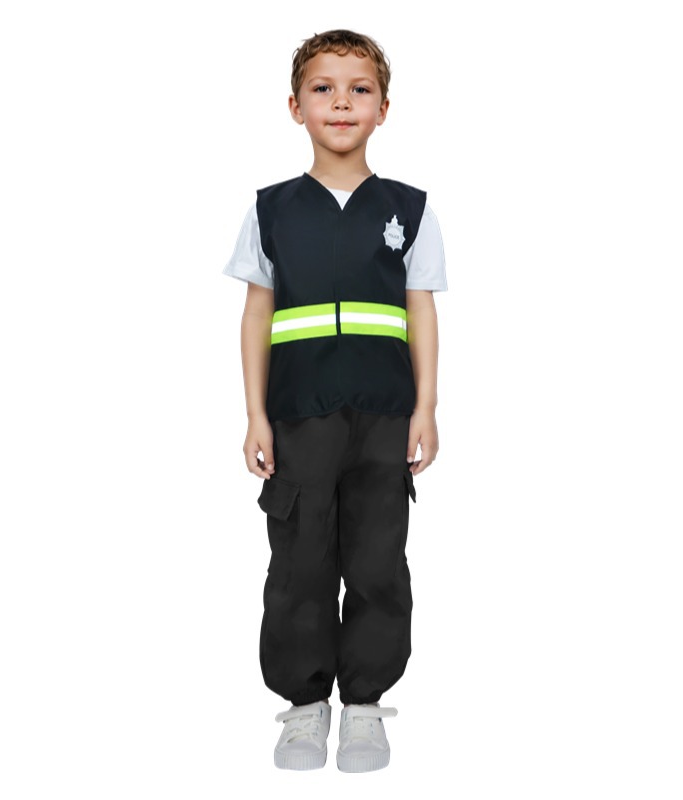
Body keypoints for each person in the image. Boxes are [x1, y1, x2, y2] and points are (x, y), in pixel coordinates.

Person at [222, 28, 447, 772]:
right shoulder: (273, 210)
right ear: (295, 106)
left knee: (379, 560)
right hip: (298, 415)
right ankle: (303, 707)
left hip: (384, 415)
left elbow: (420, 309)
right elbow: (257, 313)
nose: (341, 103)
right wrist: (255, 414)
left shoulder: (409, 209)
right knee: (300, 561)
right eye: (323, 88)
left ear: (384, 108)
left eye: (359, 90)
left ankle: (364, 707)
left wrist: (426, 407)